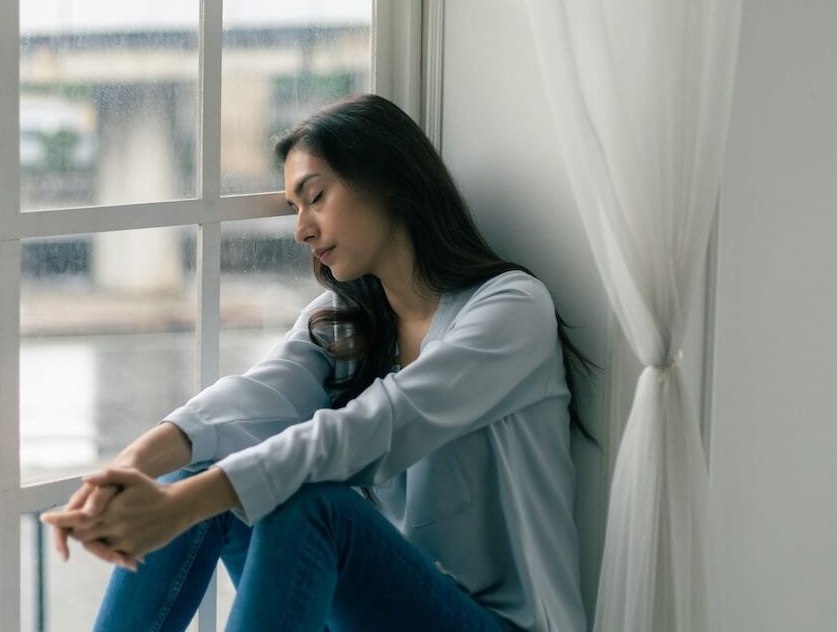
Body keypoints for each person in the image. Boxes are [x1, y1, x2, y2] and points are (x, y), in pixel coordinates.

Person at [40, 94, 592, 632]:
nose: (301, 227)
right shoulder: (345, 317)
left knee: (313, 508)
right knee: (204, 470)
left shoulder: (511, 309)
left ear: (389, 182)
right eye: (295, 208)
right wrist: (131, 470)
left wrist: (176, 507)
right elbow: (257, 396)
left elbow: (376, 427)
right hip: (377, 611)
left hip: (496, 621)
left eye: (316, 197)